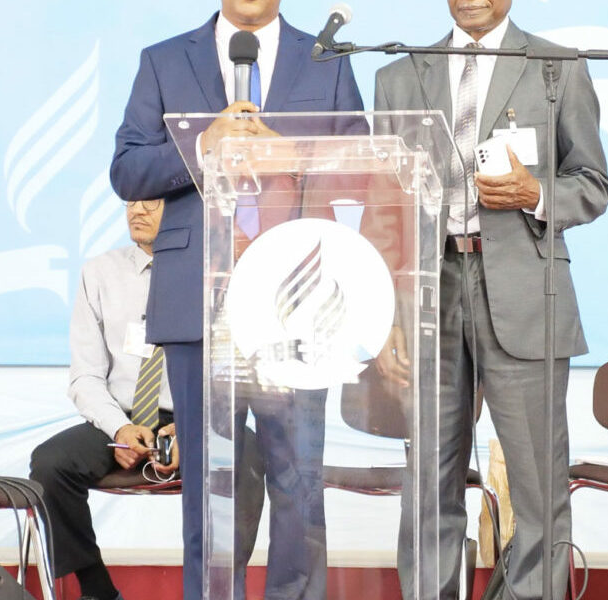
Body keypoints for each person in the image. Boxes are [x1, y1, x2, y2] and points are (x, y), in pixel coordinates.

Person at [109, 2, 364, 598]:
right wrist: (204, 146)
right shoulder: (164, 60)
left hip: (298, 300)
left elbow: (361, 165)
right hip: (199, 299)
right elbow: (128, 170)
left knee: (299, 485)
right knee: (207, 487)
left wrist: (292, 156)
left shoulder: (325, 59)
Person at [374, 1, 608, 599]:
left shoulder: (557, 67)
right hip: (428, 288)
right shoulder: (399, 75)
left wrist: (537, 193)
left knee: (536, 483)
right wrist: (388, 314)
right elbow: (384, 204)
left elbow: (593, 183)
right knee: (429, 479)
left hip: (526, 289)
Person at [30, 199, 177, 600]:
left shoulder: (212, 272)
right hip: (121, 415)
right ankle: (98, 590)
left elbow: (226, 375)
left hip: (189, 418)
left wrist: (193, 429)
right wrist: (121, 428)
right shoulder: (99, 273)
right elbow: (86, 375)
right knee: (51, 464)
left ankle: (221, 586)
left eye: (151, 202)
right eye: (131, 201)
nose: (137, 210)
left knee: (247, 456)